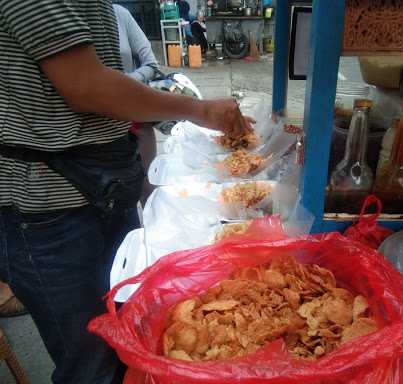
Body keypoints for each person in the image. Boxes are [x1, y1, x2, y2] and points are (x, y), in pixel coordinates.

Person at [0, 2, 251, 384]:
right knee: (90, 362)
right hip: (49, 210)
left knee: (131, 330)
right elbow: (86, 86)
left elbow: (108, 75)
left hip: (107, 187)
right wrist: (199, 110)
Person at [114, 4, 159, 203]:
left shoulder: (119, 14)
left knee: (148, 189)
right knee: (118, 198)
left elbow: (151, 64)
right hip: (96, 126)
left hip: (135, 121)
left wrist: (122, 84)